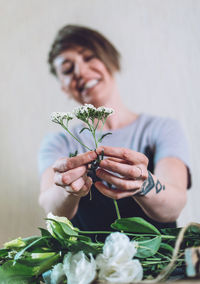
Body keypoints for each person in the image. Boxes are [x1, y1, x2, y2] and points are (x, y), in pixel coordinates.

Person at [38, 25, 191, 235]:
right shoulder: (60, 142)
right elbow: (51, 207)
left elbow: (174, 205)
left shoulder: (161, 129)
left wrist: (143, 184)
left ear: (110, 60)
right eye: (67, 69)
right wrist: (67, 189)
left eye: (89, 57)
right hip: (90, 263)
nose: (81, 71)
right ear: (63, 87)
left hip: (159, 262)